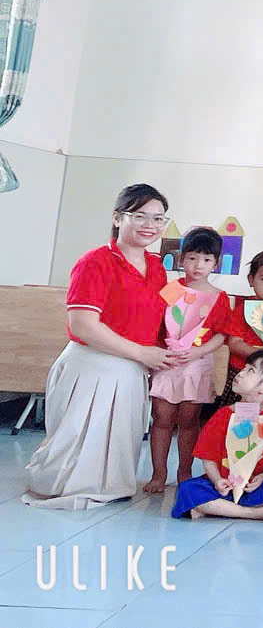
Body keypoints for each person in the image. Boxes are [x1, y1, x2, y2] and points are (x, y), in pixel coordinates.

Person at [24, 184, 177, 510]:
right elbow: (83, 325)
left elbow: (159, 319)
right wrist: (141, 353)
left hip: (132, 369)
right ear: (118, 218)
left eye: (158, 218)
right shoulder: (96, 261)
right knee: (79, 445)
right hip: (92, 365)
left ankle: (112, 486)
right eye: (140, 216)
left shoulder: (156, 267)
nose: (150, 225)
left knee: (118, 446)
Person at [145, 227, 231, 493]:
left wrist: (198, 352)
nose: (198, 265)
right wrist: (157, 353)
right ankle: (158, 474)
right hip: (167, 362)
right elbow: (156, 324)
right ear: (182, 259)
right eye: (192, 258)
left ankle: (184, 473)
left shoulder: (219, 296)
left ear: (216, 263)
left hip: (197, 365)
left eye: (206, 259)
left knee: (190, 420)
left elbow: (222, 335)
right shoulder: (171, 290)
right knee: (161, 418)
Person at [171, 350, 263, 520]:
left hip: (254, 486)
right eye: (244, 368)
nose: (241, 373)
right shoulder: (223, 415)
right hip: (223, 484)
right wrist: (217, 480)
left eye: (250, 371)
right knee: (188, 490)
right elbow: (208, 457)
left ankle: (219, 508)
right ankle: (249, 512)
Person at [213, 249, 263, 410]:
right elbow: (235, 344)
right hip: (243, 372)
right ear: (251, 280)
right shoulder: (242, 309)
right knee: (237, 415)